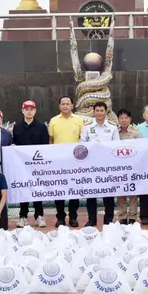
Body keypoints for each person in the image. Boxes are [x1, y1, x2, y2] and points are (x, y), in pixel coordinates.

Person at [81, 102, 119, 226]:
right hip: (91, 166)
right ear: (93, 111)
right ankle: (91, 219)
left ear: (105, 111)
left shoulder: (113, 127)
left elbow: (116, 146)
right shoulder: (87, 127)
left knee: (108, 194)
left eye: (101, 110)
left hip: (108, 166)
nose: (99, 113)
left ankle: (108, 220)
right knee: (91, 194)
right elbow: (82, 144)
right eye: (96, 110)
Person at [49, 95, 85, 227]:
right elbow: (51, 140)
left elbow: (83, 139)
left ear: (72, 105)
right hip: (58, 162)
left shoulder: (79, 120)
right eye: (63, 104)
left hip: (75, 162)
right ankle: (60, 218)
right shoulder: (53, 121)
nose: (65, 106)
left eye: (67, 103)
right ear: (59, 106)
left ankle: (73, 217)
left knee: (74, 191)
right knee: (59, 191)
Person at [12, 100, 49, 228]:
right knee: (23, 190)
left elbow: (45, 147)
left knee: (37, 190)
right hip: (22, 166)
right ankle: (23, 216)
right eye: (26, 109)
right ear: (22, 110)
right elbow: (14, 145)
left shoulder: (42, 127)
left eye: (31, 109)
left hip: (37, 166)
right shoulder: (16, 127)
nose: (29, 111)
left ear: (35, 111)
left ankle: (39, 216)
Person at [116, 108, 141, 224]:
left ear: (130, 119)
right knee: (120, 191)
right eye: (121, 118)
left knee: (132, 191)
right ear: (118, 119)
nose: (124, 120)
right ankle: (122, 215)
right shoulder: (115, 132)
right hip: (118, 167)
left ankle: (132, 216)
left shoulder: (136, 133)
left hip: (132, 167)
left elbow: (142, 149)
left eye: (126, 118)